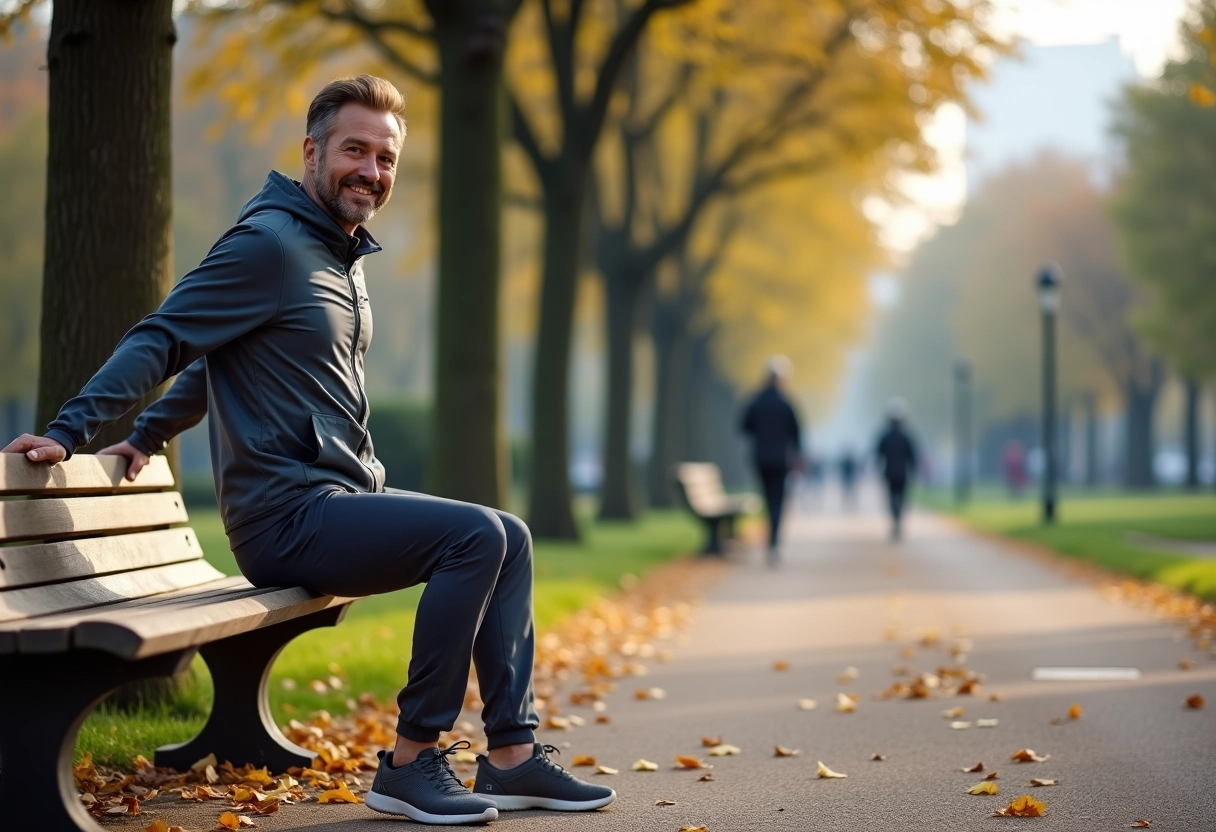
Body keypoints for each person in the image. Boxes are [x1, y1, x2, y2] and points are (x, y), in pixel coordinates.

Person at [1, 76, 613, 826]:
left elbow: (220, 361)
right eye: (355, 150)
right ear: (312, 151)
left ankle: (512, 757)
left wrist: (152, 433)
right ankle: (410, 762)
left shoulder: (335, 255)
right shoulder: (270, 244)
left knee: (508, 535)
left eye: (385, 158)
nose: (371, 171)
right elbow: (166, 335)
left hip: (339, 500)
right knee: (474, 538)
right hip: (286, 518)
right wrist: (71, 430)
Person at [740, 356, 803, 565]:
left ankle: (771, 541)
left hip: (760, 458)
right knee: (778, 500)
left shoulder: (756, 400)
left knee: (767, 499)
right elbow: (797, 433)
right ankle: (773, 543)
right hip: (780, 459)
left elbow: (744, 427)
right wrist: (797, 456)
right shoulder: (786, 403)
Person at [874, 398, 919, 541]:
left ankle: (895, 520)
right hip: (903, 473)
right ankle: (898, 520)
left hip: (889, 473)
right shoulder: (907, 436)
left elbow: (878, 454)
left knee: (892, 498)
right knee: (902, 498)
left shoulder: (885, 435)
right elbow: (913, 456)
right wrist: (914, 470)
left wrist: (877, 468)